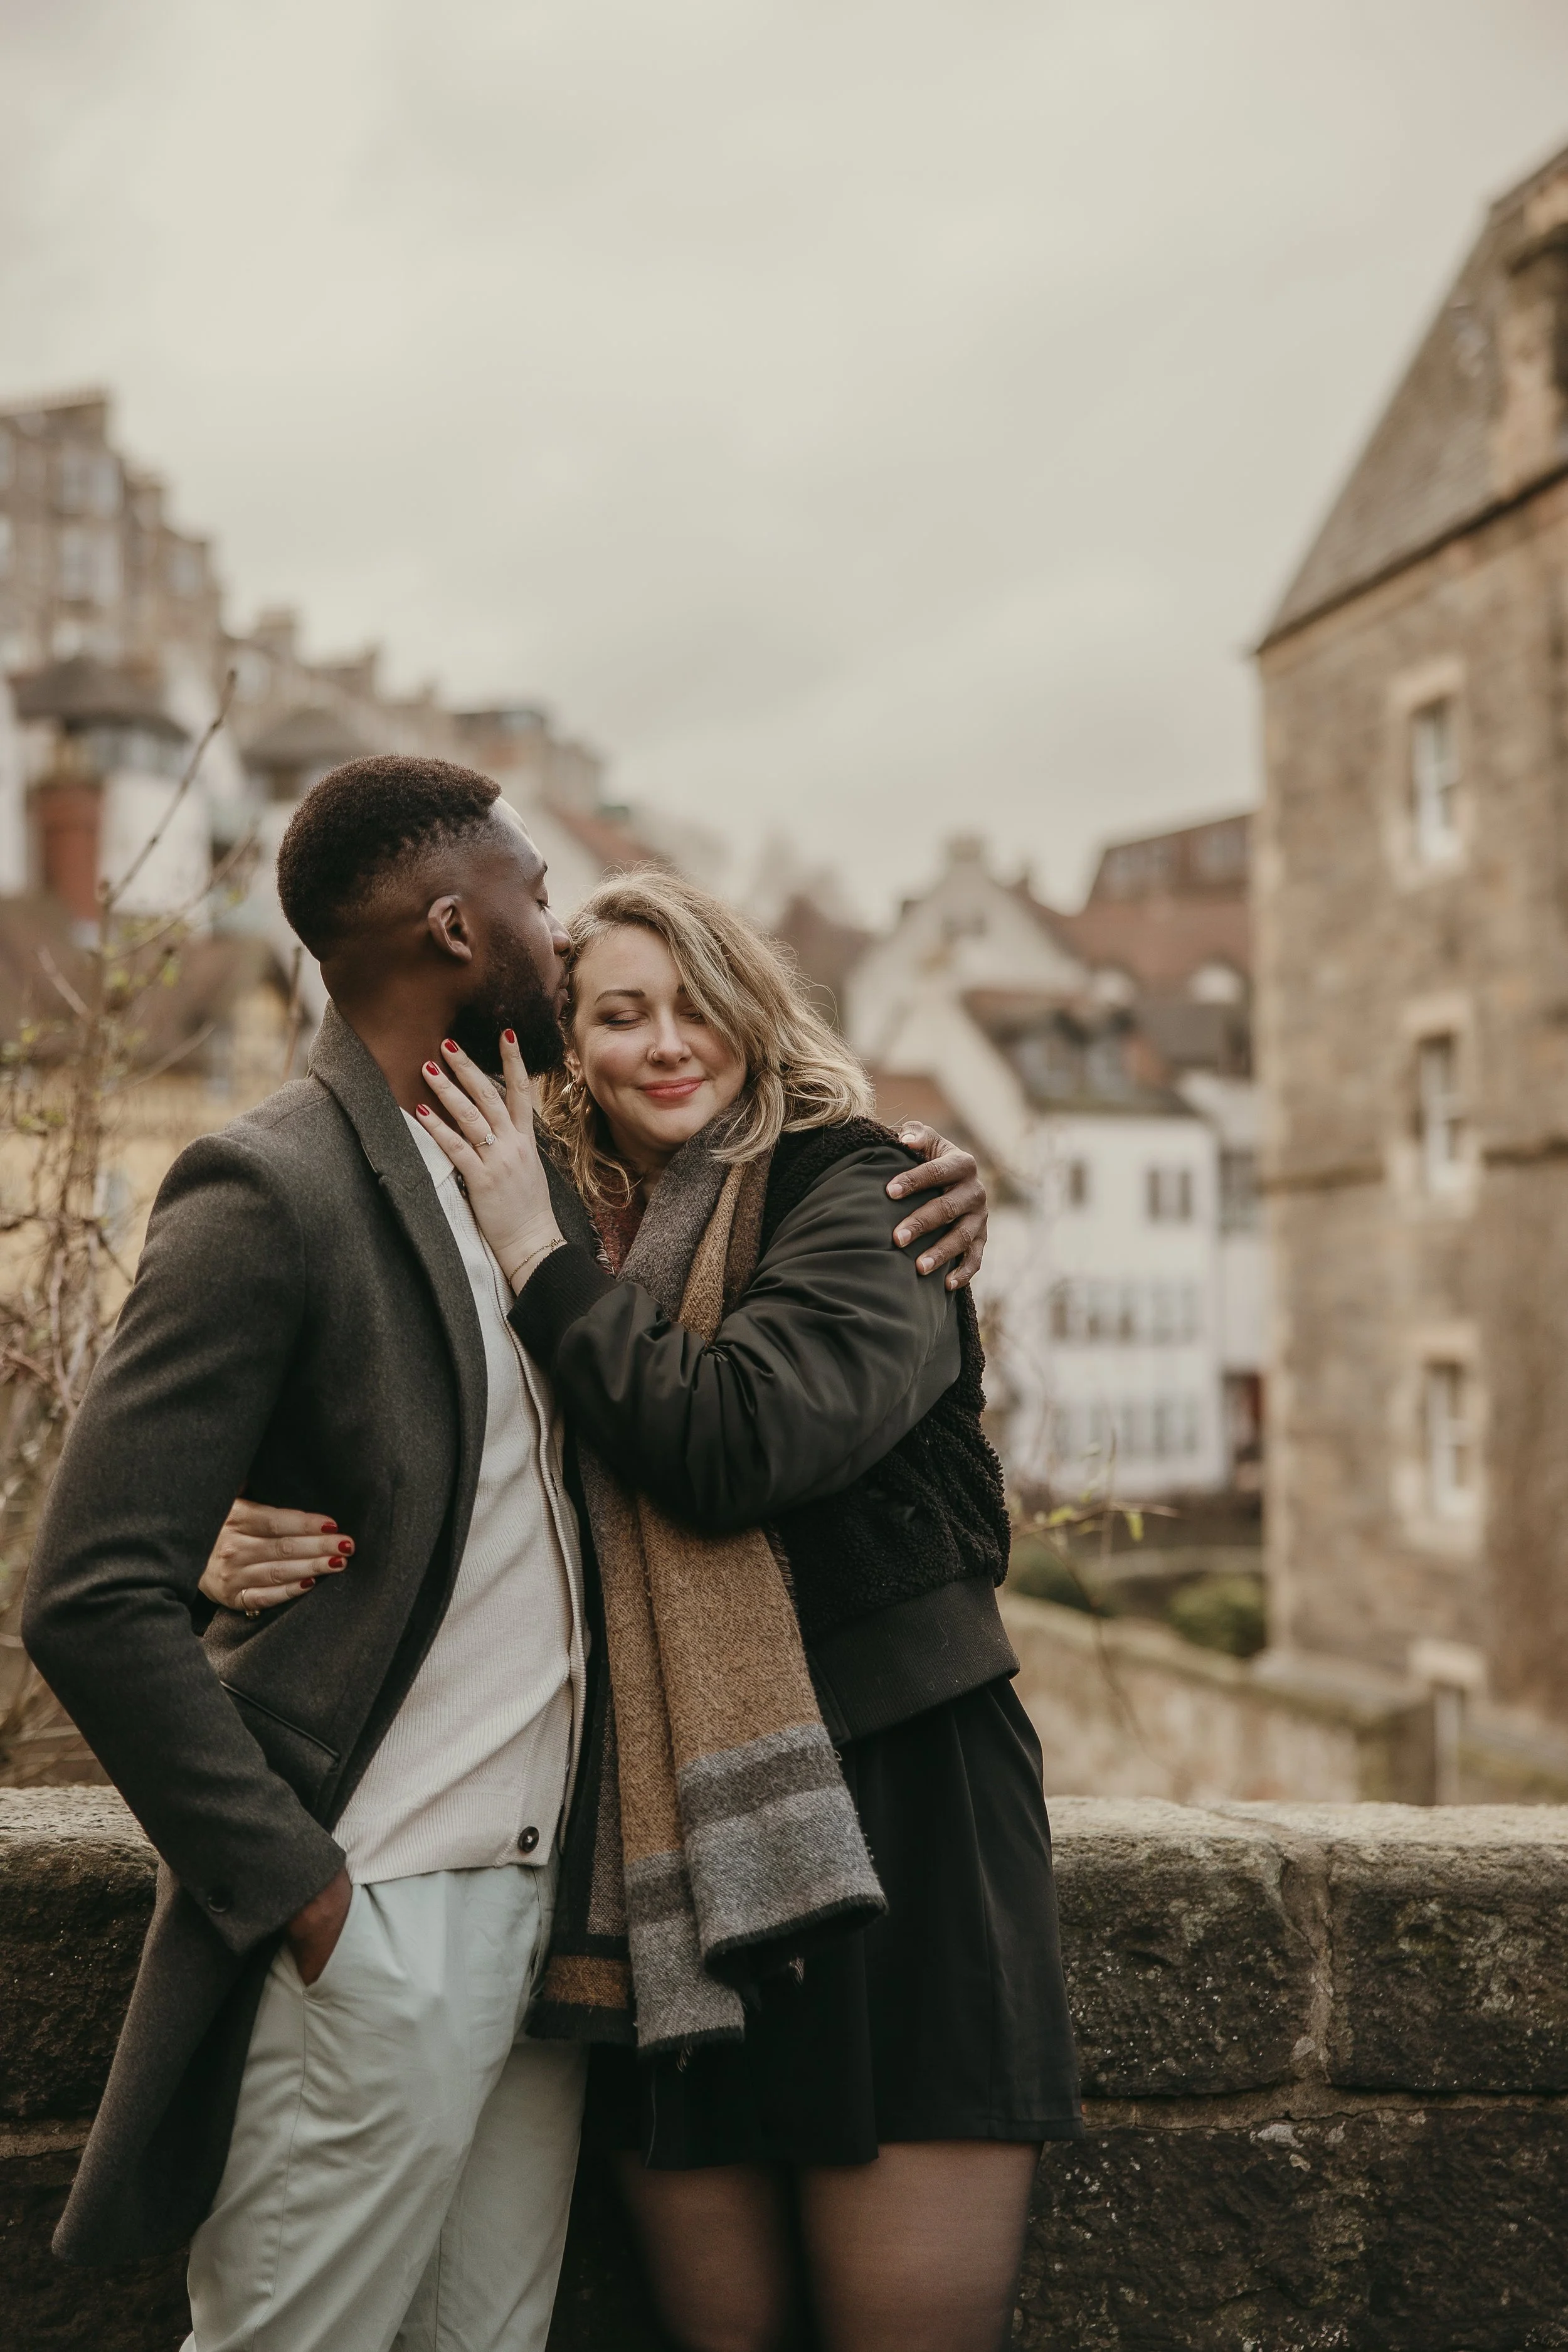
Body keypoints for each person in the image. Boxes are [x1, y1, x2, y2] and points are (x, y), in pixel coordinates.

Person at [21, 757, 985, 2352]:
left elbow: (721, 1316)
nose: (558, 923)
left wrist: (944, 1176)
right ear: (460, 925)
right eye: (538, 897)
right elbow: (85, 1590)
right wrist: (307, 1902)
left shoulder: (534, 1187)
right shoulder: (270, 1181)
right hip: (383, 1909)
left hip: (559, 1940)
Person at [206, 868, 1081, 2352]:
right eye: (618, 1014)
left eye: (696, 1006)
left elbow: (735, 1444)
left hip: (904, 1824)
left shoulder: (865, 1191)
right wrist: (232, 1543)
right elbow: (440, 1480)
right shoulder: (538, 1229)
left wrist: (533, 1255)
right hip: (659, 1857)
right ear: (568, 1045)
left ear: (753, 1014)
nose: (668, 1043)